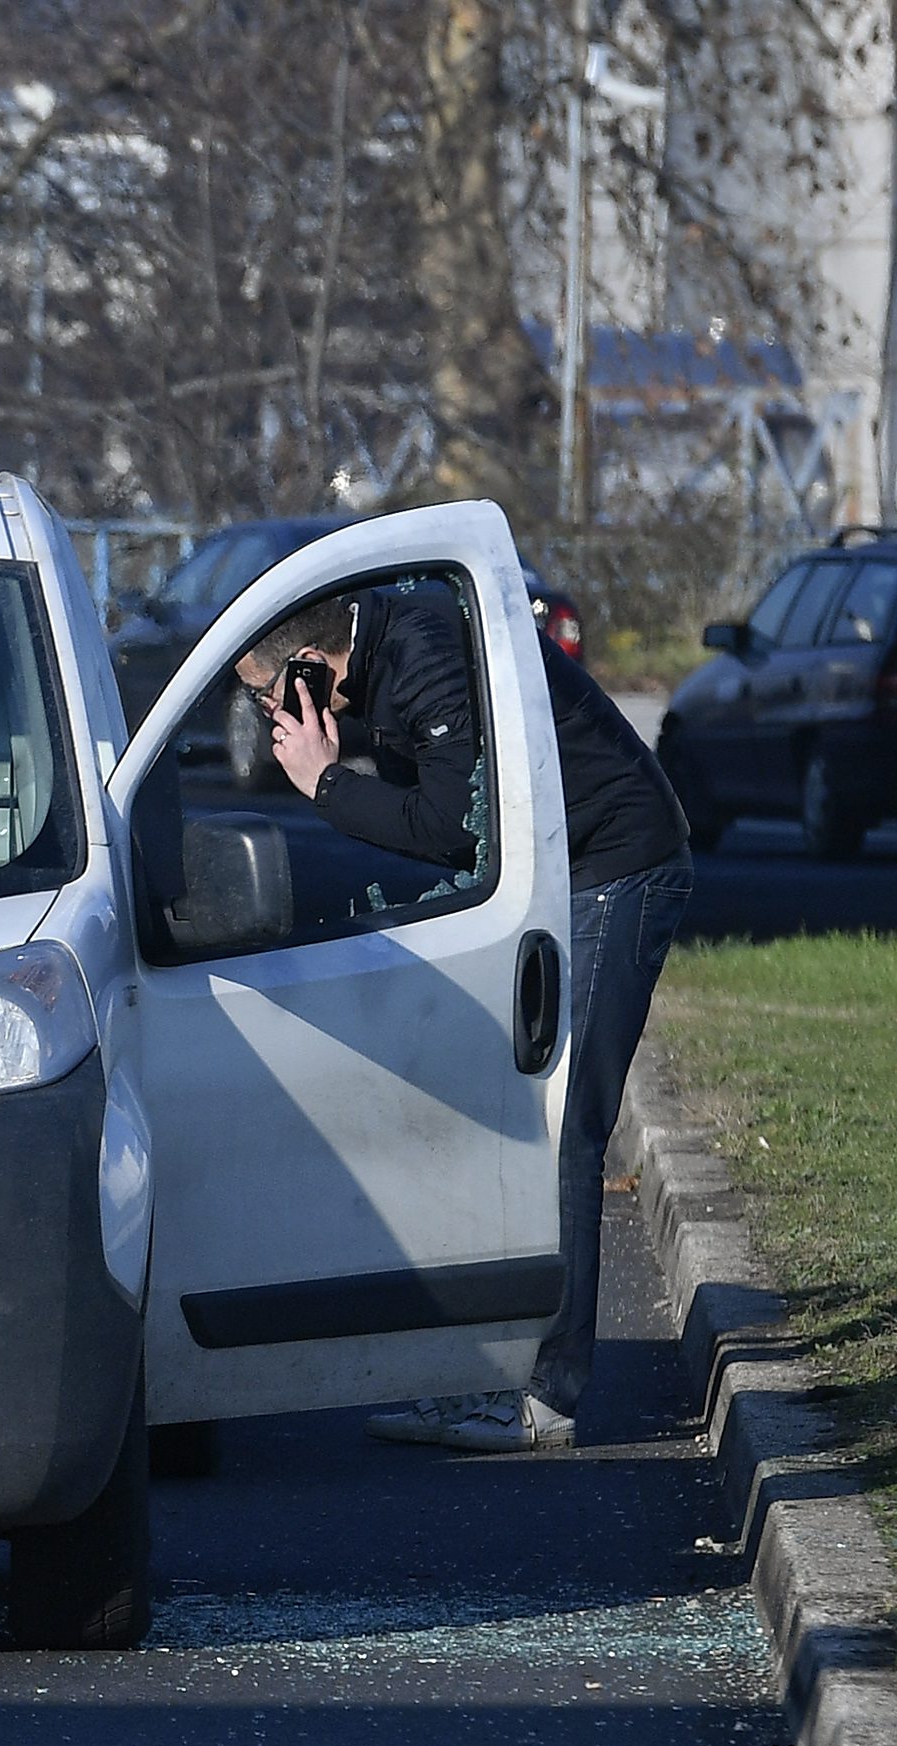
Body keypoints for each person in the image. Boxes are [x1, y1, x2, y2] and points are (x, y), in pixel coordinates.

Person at [244, 582, 691, 1452]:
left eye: (263, 693)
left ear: (307, 667)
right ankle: (473, 1376)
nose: (263, 713)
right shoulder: (388, 663)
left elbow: (454, 825)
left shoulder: (421, 657)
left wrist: (327, 784)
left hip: (617, 869)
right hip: (562, 875)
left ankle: (547, 1396)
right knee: (489, 1118)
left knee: (564, 1126)